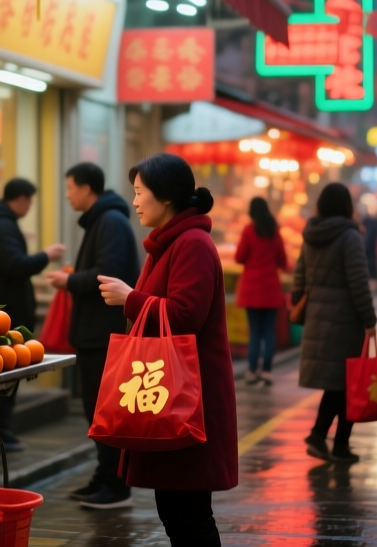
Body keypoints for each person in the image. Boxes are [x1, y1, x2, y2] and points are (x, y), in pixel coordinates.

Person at [97, 154, 237, 547]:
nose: (136, 201)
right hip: (171, 389)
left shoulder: (191, 243)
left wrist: (130, 298)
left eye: (140, 193)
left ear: (167, 198)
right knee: (178, 511)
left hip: (188, 395)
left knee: (188, 514)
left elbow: (186, 314)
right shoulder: (171, 241)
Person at [46, 162, 138, 509]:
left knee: (105, 412)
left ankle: (116, 484)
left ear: (86, 188)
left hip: (105, 334)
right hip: (95, 333)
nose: (67, 195)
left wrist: (69, 281)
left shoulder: (110, 221)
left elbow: (108, 275)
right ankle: (104, 476)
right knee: (96, 411)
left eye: (70, 188)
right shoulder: (102, 219)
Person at [0, 177, 64, 452]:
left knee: (2, 373)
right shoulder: (2, 225)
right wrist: (46, 255)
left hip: (1, 314)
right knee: (4, 375)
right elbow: (15, 266)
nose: (30, 206)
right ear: (22, 198)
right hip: (2, 316)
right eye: (30, 200)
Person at [293, 183, 377, 464]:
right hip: (345, 321)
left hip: (319, 317)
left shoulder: (311, 235)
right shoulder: (349, 236)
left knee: (339, 384)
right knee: (347, 383)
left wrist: (301, 304)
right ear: (347, 207)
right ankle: (328, 439)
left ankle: (331, 441)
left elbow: (299, 277)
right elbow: (358, 282)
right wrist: (369, 319)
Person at [235, 196, 289, 385]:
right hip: (271, 289)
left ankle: (251, 371)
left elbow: (239, 257)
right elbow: (283, 260)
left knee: (255, 332)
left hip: (251, 289)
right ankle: (266, 371)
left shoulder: (248, 231)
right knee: (269, 332)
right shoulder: (275, 232)